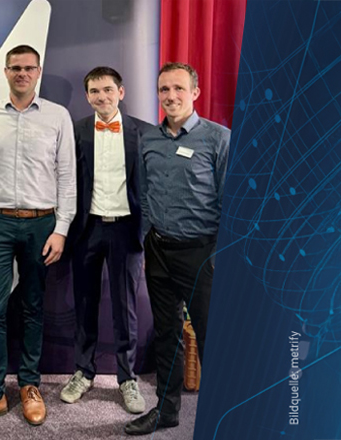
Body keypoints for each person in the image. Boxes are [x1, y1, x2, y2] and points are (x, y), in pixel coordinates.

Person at [0, 45, 76, 432]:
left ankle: (29, 385)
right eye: (15, 68)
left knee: (33, 307)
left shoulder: (57, 117)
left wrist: (61, 228)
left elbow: (67, 176)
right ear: (6, 72)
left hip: (42, 224)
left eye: (29, 68)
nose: (22, 73)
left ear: (38, 72)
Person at [124, 62, 230, 435]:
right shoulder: (149, 140)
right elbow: (145, 194)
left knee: (211, 336)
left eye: (178, 88)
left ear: (195, 92)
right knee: (167, 336)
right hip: (159, 251)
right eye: (164, 89)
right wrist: (147, 238)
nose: (170, 96)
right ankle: (166, 411)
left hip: (202, 255)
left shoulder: (218, 138)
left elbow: (232, 202)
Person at [60, 66, 150, 413]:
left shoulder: (144, 132)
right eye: (95, 91)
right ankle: (83, 372)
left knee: (125, 307)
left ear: (121, 92)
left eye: (108, 90)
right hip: (88, 228)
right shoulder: (76, 130)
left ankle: (127, 378)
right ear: (87, 97)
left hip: (127, 229)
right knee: (84, 303)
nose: (102, 97)